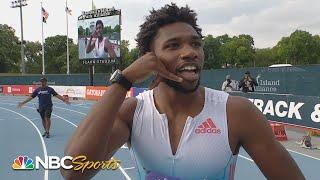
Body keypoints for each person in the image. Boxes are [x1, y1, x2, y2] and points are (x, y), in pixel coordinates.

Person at [61, 3, 304, 180]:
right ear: (148, 57)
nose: (190, 52)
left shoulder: (236, 113)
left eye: (195, 43)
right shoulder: (133, 112)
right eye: (173, 45)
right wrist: (123, 80)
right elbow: (73, 171)